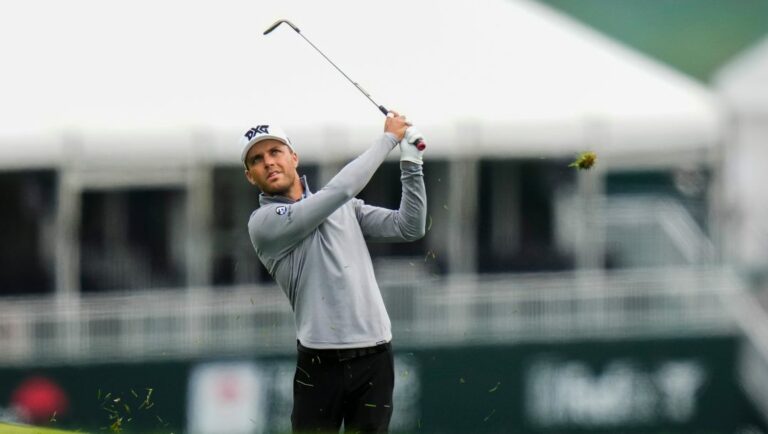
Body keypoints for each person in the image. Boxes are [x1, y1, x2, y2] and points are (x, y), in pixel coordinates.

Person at [240, 112, 427, 433]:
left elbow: (409, 226)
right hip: (319, 364)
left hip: (375, 358)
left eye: (275, 152)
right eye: (257, 159)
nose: (268, 162)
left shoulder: (342, 206)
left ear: (293, 157)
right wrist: (388, 140)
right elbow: (338, 192)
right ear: (250, 176)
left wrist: (411, 165)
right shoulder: (263, 223)